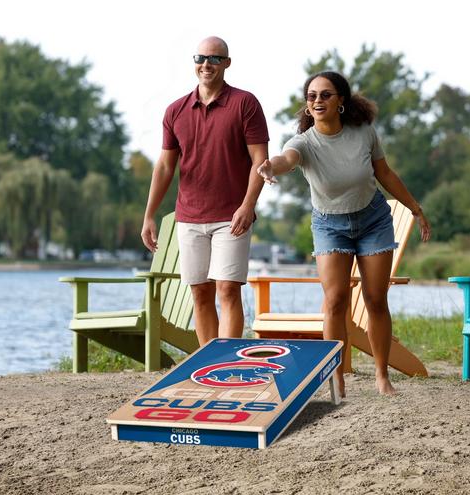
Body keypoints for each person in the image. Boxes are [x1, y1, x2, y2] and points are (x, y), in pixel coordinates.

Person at [257, 71, 430, 396]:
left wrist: (414, 208)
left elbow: (384, 173)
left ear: (341, 101)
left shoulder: (363, 133)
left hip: (373, 220)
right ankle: (336, 378)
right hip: (329, 225)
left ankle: (382, 376)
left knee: (375, 299)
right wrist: (270, 167)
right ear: (307, 105)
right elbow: (286, 160)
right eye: (312, 96)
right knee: (335, 300)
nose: (317, 101)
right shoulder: (303, 142)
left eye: (325, 94)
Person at [141, 36, 269, 347]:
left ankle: (227, 362)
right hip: (189, 217)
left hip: (232, 216)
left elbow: (260, 161)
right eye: (200, 58)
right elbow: (165, 167)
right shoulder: (175, 111)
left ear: (227, 63)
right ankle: (209, 362)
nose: (206, 64)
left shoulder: (245, 103)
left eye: (214, 58)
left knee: (228, 289)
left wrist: (248, 205)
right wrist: (149, 215)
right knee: (200, 292)